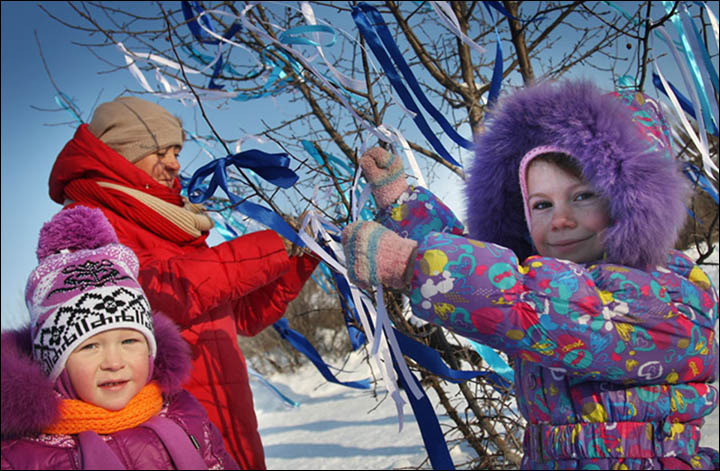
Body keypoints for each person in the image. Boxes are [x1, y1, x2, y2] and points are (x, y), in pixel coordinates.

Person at [341, 79, 719, 469]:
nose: (559, 219)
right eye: (541, 204)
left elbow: (539, 305)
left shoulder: (671, 292)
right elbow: (497, 281)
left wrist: (414, 265)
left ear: (636, 200)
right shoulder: (546, 288)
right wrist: (403, 203)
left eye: (583, 195)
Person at [46, 96, 319, 468]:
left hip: (226, 417)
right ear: (123, 153)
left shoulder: (171, 221)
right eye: (161, 151)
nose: (175, 164)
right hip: (164, 430)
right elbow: (165, 290)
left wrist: (301, 259)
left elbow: (243, 316)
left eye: (176, 151)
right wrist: (274, 246)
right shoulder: (87, 221)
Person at [1, 206, 238, 469]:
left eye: (129, 341)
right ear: (54, 364)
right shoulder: (22, 454)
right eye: (90, 346)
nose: (114, 362)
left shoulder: (183, 412)